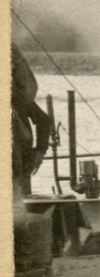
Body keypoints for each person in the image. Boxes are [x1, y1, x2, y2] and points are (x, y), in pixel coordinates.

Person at [11, 43, 53, 199]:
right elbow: (44, 120)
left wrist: (40, 152)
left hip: (20, 165)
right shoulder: (19, 99)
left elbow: (43, 120)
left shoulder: (18, 100)